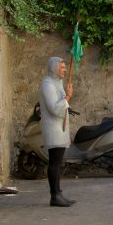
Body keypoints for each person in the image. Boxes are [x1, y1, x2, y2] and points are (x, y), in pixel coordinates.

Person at [39, 57, 75, 207]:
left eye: (65, 67)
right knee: (54, 163)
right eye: (62, 67)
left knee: (58, 163)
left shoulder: (56, 83)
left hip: (59, 129)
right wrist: (67, 97)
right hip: (53, 129)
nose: (65, 70)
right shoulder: (47, 84)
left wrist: (66, 98)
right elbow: (54, 108)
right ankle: (54, 196)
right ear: (54, 68)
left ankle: (58, 193)